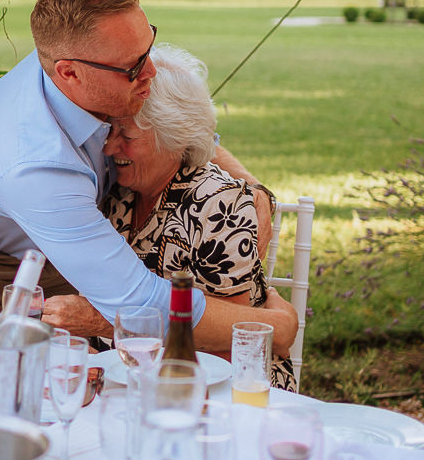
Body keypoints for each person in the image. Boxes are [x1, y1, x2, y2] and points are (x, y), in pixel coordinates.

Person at [0, 0, 256, 341]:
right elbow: (136, 302)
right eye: (134, 66)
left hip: (58, 234)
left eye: (149, 47)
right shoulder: (34, 168)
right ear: (69, 72)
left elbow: (177, 124)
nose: (151, 71)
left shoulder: (88, 57)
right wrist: (268, 328)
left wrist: (251, 191)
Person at [94, 45, 297, 382]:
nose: (109, 147)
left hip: (224, 389)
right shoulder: (120, 194)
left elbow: (231, 342)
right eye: (110, 130)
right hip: (134, 374)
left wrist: (103, 324)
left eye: (126, 135)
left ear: (172, 137)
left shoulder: (220, 205)